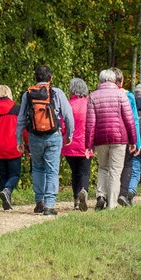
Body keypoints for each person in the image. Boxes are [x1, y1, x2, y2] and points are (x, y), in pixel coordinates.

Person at [16, 65, 74, 216]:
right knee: (52, 170)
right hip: (54, 136)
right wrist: (69, 134)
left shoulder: (27, 95)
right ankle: (49, 204)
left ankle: (39, 202)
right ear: (51, 78)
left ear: (36, 78)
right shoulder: (57, 93)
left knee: (38, 168)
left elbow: (21, 118)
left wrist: (19, 140)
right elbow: (68, 116)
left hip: (34, 136)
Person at [85, 69, 137, 210]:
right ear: (114, 80)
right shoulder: (121, 95)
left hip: (100, 138)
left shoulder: (93, 96)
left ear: (100, 80)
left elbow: (90, 123)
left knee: (103, 167)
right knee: (115, 170)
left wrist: (88, 144)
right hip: (119, 138)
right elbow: (129, 120)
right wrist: (133, 141)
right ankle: (112, 204)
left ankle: (101, 196)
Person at [112, 68, 141, 206]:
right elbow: (134, 119)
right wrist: (137, 141)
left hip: (107, 136)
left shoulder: (101, 94)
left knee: (108, 167)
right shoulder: (128, 96)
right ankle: (123, 194)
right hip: (124, 135)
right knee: (127, 164)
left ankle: (107, 195)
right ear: (122, 80)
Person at [62, 77, 92, 212]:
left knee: (75, 173)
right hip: (85, 144)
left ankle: (75, 200)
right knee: (84, 172)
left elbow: (62, 126)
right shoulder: (89, 105)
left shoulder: (67, 105)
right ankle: (84, 190)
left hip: (70, 144)